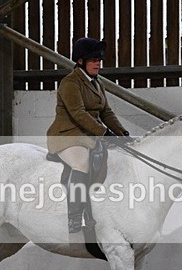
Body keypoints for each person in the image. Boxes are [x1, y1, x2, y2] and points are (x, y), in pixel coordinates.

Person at [47, 37, 131, 233]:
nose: (98, 64)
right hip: (66, 135)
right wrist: (104, 133)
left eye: (99, 60)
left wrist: (122, 134)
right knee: (82, 163)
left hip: (88, 135)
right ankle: (75, 216)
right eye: (93, 60)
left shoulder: (97, 83)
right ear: (80, 61)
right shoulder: (70, 83)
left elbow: (106, 112)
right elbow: (78, 113)